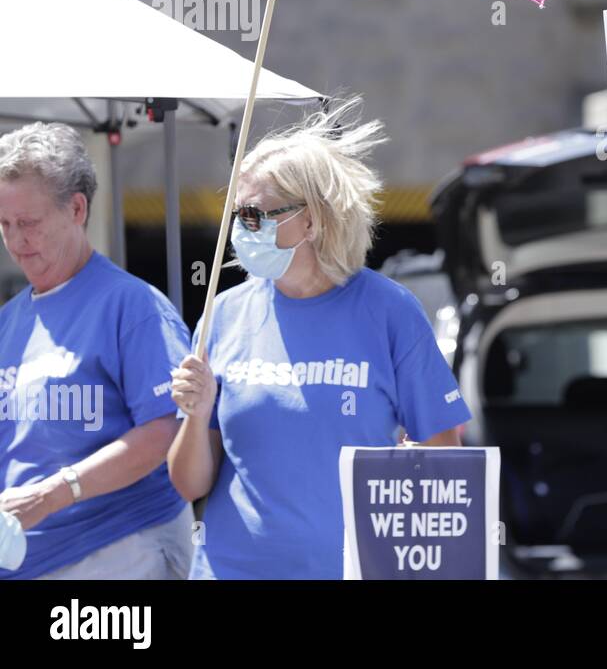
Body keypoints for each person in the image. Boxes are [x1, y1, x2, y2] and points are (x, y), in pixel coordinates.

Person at [167, 99, 472, 579]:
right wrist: (197, 413)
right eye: (237, 215)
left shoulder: (390, 312)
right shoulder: (223, 314)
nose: (241, 229)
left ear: (310, 220)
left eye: (254, 215)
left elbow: (443, 461)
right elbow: (189, 485)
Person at [0, 122, 194, 579]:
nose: (15, 241)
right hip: (24, 560)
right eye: (4, 224)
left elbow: (166, 429)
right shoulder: (9, 321)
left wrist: (53, 493)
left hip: (118, 546)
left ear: (77, 208)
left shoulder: (133, 306)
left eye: (28, 223)